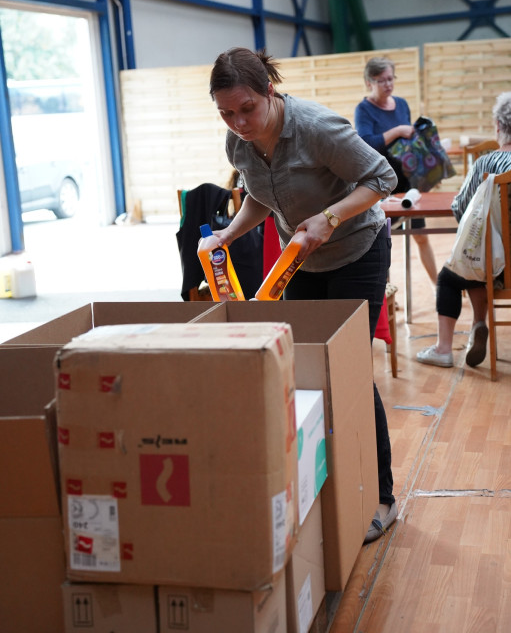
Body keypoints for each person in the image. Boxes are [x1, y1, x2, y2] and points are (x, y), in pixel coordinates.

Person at [208, 46, 399, 543]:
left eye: (247, 108)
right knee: (307, 365)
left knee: (350, 369)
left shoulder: (317, 127)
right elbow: (259, 192)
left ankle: (382, 496)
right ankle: (325, 476)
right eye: (227, 113)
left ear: (269, 92)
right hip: (304, 259)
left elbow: (383, 177)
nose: (239, 123)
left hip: (358, 249)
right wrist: (229, 232)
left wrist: (331, 216)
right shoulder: (239, 144)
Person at [416, 91, 511, 368]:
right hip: (502, 267)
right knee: (479, 259)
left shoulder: (486, 163)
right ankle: (477, 325)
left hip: (496, 265)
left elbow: (463, 209)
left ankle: (444, 349)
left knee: (458, 270)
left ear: (497, 128)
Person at [354, 57, 438, 287]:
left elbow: (408, 146)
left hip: (408, 181)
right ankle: (385, 291)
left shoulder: (401, 104)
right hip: (381, 184)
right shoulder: (363, 109)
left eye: (391, 79)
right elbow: (366, 144)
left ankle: (437, 286)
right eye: (382, 80)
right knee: (382, 240)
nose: (388, 84)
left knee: (421, 236)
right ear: (369, 82)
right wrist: (398, 130)